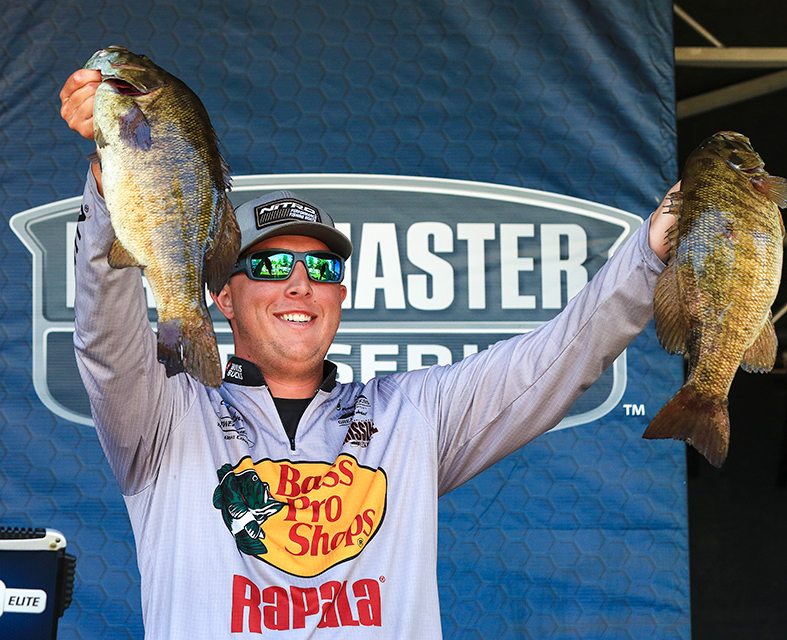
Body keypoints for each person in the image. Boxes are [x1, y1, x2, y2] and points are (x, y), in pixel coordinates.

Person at [61, 69, 677, 638]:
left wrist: (649, 251)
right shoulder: (166, 419)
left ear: (341, 295)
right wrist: (115, 176)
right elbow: (105, 338)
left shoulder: (412, 416)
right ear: (223, 293)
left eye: (322, 268)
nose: (299, 284)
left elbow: (559, 357)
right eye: (271, 265)